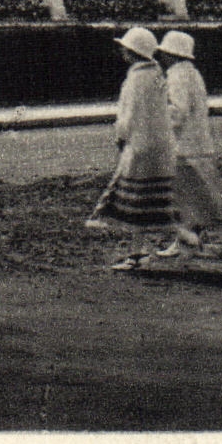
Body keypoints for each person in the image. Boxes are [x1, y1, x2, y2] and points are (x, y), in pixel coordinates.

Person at [85, 27, 190, 270]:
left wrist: (120, 137)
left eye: (125, 47)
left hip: (140, 148)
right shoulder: (158, 75)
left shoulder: (135, 79)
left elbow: (128, 116)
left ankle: (137, 254)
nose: (122, 51)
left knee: (136, 204)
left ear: (133, 52)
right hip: (162, 147)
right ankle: (185, 238)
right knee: (159, 200)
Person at [155, 30, 222, 256]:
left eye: (164, 53)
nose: (162, 57)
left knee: (182, 195)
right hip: (199, 144)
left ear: (172, 54)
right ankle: (211, 228)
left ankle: (195, 236)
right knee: (199, 192)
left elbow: (178, 111)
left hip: (182, 147)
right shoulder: (193, 74)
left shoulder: (176, 76)